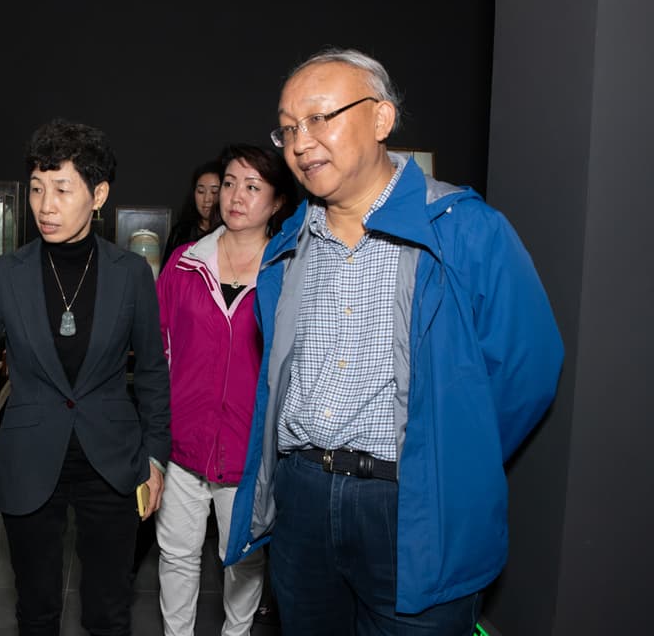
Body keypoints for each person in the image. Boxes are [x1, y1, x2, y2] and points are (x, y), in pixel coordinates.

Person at [225, 48, 563, 635]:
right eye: (287, 128)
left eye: (320, 118)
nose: (301, 142)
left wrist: (448, 457)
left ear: (382, 120)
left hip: (412, 506)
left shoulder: (463, 229)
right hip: (302, 496)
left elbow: (527, 371)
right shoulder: (287, 248)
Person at [0, 119, 171, 636]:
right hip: (30, 458)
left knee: (109, 612)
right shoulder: (8, 274)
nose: (46, 206)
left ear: (98, 194)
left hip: (111, 460)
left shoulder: (131, 274)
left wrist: (154, 460)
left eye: (62, 190)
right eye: (38, 189)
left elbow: (152, 372)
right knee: (36, 612)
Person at [155, 143, 294, 636]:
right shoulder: (183, 265)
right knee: (176, 556)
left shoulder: (288, 273)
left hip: (249, 451)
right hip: (183, 446)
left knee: (242, 562)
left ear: (277, 202)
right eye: (230, 183)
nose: (235, 196)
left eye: (253, 187)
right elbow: (158, 353)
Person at [161, 159, 223, 267]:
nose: (207, 199)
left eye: (214, 192)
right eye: (200, 191)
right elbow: (166, 276)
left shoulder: (230, 234)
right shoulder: (180, 232)